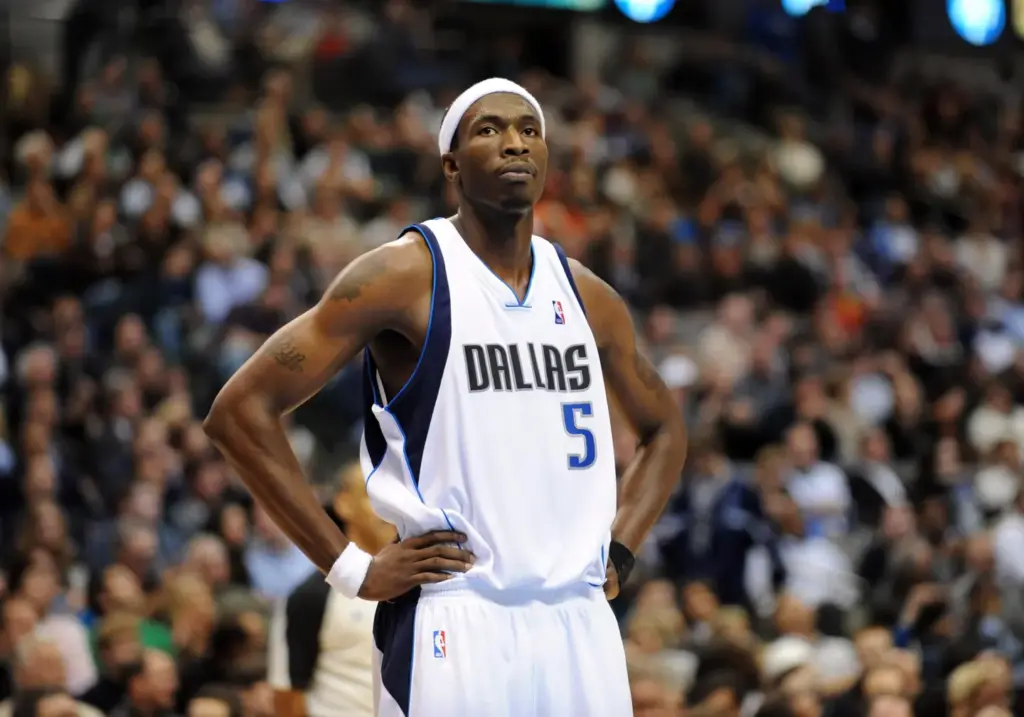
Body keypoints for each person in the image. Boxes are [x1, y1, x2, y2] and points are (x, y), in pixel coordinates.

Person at [204, 77, 687, 716]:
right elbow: (239, 411)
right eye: (490, 129)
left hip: (578, 615)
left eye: (530, 130)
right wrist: (351, 567)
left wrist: (621, 547)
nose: (515, 143)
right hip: (457, 615)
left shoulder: (588, 296)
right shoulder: (402, 275)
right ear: (452, 164)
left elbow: (667, 431)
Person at [268, 462, 396, 717]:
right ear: (344, 503)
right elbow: (286, 697)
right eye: (376, 497)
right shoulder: (310, 596)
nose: (389, 510)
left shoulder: (425, 585)